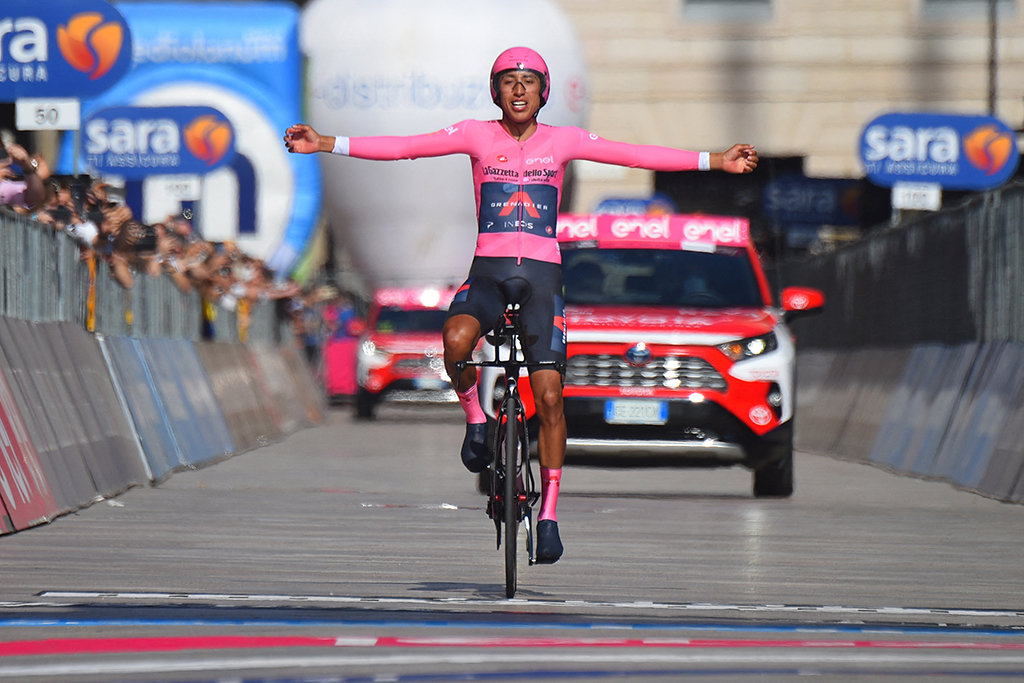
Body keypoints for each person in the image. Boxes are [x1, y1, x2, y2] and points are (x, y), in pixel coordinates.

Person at [284, 46, 758, 563]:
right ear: (495, 92)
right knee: (456, 341)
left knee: (550, 396)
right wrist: (326, 142)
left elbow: (636, 155)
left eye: (528, 81)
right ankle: (476, 420)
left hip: (542, 279)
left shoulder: (564, 141)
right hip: (487, 273)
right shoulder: (475, 134)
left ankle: (550, 512)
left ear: (543, 92)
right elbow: (406, 146)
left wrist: (715, 160)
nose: (518, 90)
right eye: (508, 81)